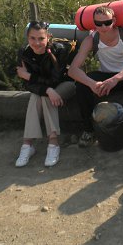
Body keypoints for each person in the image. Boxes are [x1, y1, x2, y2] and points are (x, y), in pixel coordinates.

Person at [68, 6, 123, 147]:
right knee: (81, 85)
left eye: (107, 22)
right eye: (98, 23)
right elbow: (73, 70)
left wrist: (116, 79)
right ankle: (88, 130)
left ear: (114, 21)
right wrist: (91, 84)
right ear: (94, 24)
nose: (103, 27)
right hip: (105, 76)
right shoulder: (91, 39)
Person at [15, 21, 77, 167]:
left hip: (66, 85)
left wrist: (29, 76)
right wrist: (47, 90)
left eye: (41, 38)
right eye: (32, 38)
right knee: (39, 95)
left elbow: (54, 80)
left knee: (44, 95)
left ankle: (52, 143)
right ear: (27, 38)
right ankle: (28, 145)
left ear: (48, 37)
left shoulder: (59, 50)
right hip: (48, 90)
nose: (37, 43)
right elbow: (28, 85)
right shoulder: (24, 53)